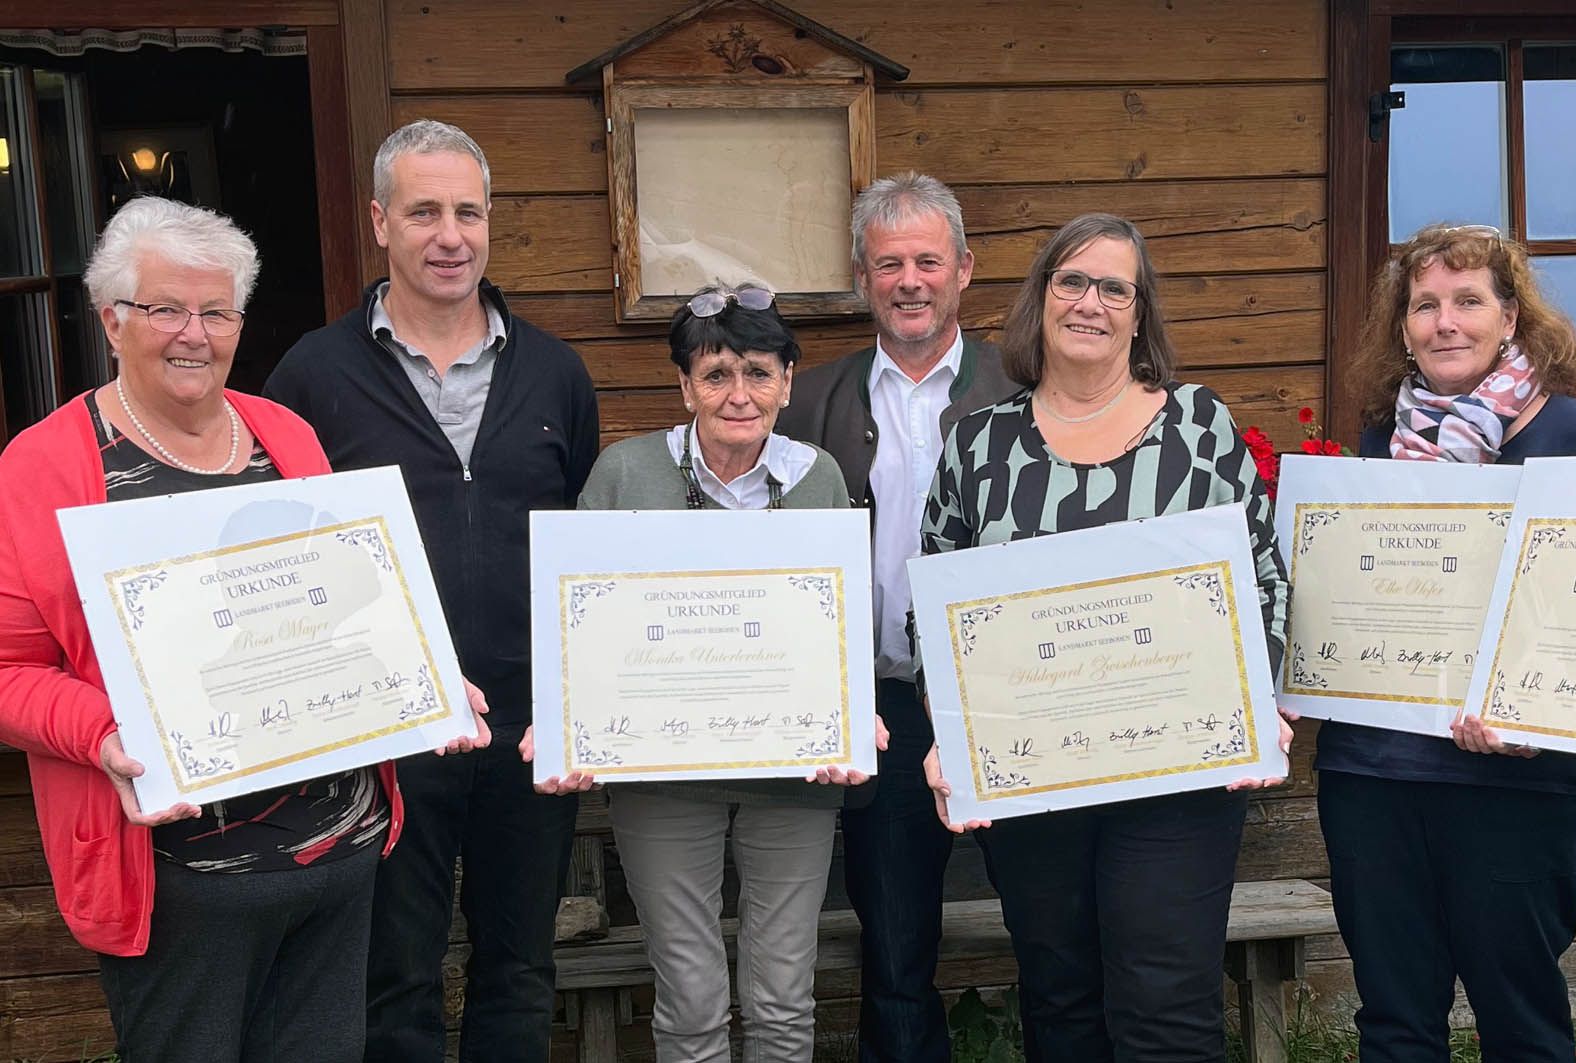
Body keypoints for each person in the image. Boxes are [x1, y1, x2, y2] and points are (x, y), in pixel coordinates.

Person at [0, 197, 482, 1060]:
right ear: (111, 319)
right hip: (183, 889)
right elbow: (6, 671)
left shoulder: (284, 434)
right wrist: (108, 736)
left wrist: (427, 679)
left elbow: (344, 606)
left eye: (217, 310)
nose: (195, 332)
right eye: (165, 309)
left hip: (340, 856)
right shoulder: (44, 465)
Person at [915, 212, 1292, 1061]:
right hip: (1036, 783)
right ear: (1041, 298)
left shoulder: (1199, 427)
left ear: (1139, 311)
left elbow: (1263, 579)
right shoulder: (979, 445)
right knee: (1060, 1000)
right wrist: (951, 735)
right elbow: (934, 604)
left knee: (1167, 1007)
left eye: (1114, 287)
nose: (1091, 301)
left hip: (1177, 777)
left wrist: (1255, 697)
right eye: (1072, 281)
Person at [264, 119, 600, 1060]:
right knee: (395, 971)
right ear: (379, 221)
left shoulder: (555, 372)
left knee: (520, 966)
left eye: (467, 212)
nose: (449, 234)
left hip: (528, 725)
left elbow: (575, 535)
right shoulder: (313, 374)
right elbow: (289, 555)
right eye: (423, 212)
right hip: (385, 725)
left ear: (490, 222)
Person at [1321, 221, 1576, 1061]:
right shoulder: (1382, 438)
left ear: (1511, 317)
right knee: (1395, 1020)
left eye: (1468, 301)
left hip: (1520, 782)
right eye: (1424, 305)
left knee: (1519, 1020)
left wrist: (1540, 713)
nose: (1444, 321)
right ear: (1403, 325)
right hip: (1375, 772)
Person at [564, 283, 875, 1061]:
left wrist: (852, 708)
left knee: (781, 998)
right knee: (691, 997)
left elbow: (838, 621)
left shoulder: (820, 480)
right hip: (662, 774)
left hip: (793, 774)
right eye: (716, 374)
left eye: (759, 373)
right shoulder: (624, 475)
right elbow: (582, 621)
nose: (739, 394)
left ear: (788, 380)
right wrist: (568, 717)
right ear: (684, 385)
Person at [774, 171, 1014, 1062]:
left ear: (963, 270)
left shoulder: (1021, 383)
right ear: (862, 278)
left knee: (1053, 917)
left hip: (1008, 698)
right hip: (883, 704)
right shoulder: (808, 403)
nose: (908, 280)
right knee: (895, 939)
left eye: (926, 260)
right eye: (888, 264)